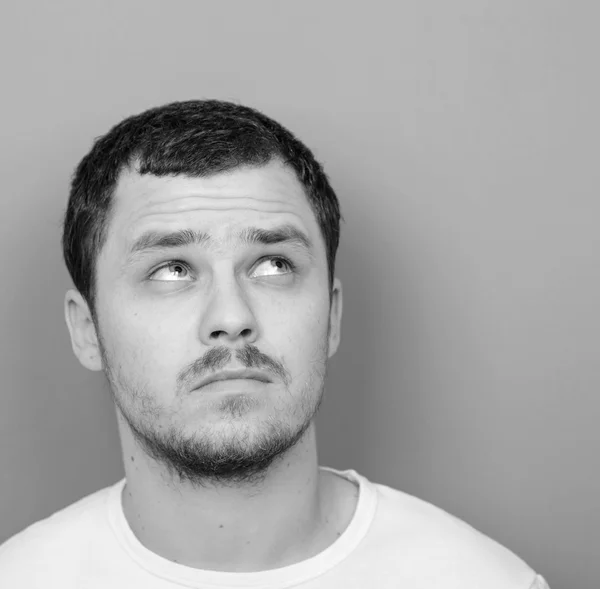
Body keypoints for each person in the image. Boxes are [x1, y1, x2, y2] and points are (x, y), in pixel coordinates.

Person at [0, 100, 550, 588]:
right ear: (86, 330)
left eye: (272, 265)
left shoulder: (483, 580)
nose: (232, 317)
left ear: (332, 314)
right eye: (170, 271)